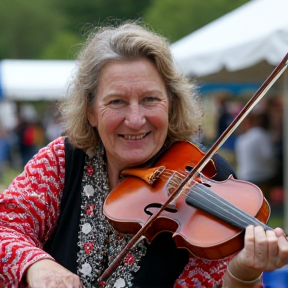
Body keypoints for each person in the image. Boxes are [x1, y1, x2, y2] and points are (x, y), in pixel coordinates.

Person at [0, 21, 288, 288]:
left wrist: (242, 273)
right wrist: (38, 265)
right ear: (90, 111)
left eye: (150, 99)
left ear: (171, 105)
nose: (136, 119)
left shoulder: (211, 172)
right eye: (116, 101)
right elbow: (5, 226)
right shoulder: (62, 161)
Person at [235, 111, 277, 203]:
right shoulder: (261, 134)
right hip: (262, 176)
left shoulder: (240, 139)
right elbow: (269, 155)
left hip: (245, 176)